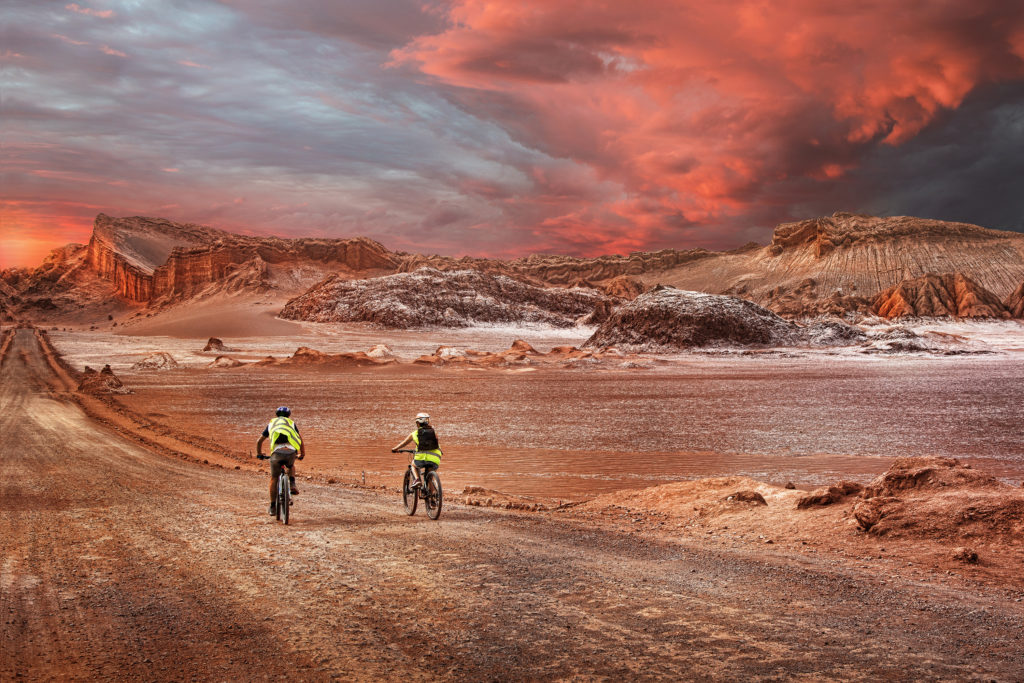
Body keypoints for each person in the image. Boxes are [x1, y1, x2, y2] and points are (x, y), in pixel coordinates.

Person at [256, 406, 305, 515]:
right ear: (289, 415)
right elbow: (300, 439)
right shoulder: (291, 424)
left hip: (277, 453)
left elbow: (259, 441)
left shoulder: (272, 424)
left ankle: (273, 506)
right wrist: (302, 453)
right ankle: (292, 483)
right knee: (291, 465)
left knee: (274, 478)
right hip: (291, 452)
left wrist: (259, 454)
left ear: (276, 415)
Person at [392, 412, 442, 488]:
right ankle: (433, 497)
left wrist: (395, 449)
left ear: (417, 423)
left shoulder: (415, 433)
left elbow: (403, 443)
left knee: (413, 465)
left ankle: (417, 480)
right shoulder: (434, 432)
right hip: (435, 459)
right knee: (429, 478)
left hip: (421, 458)